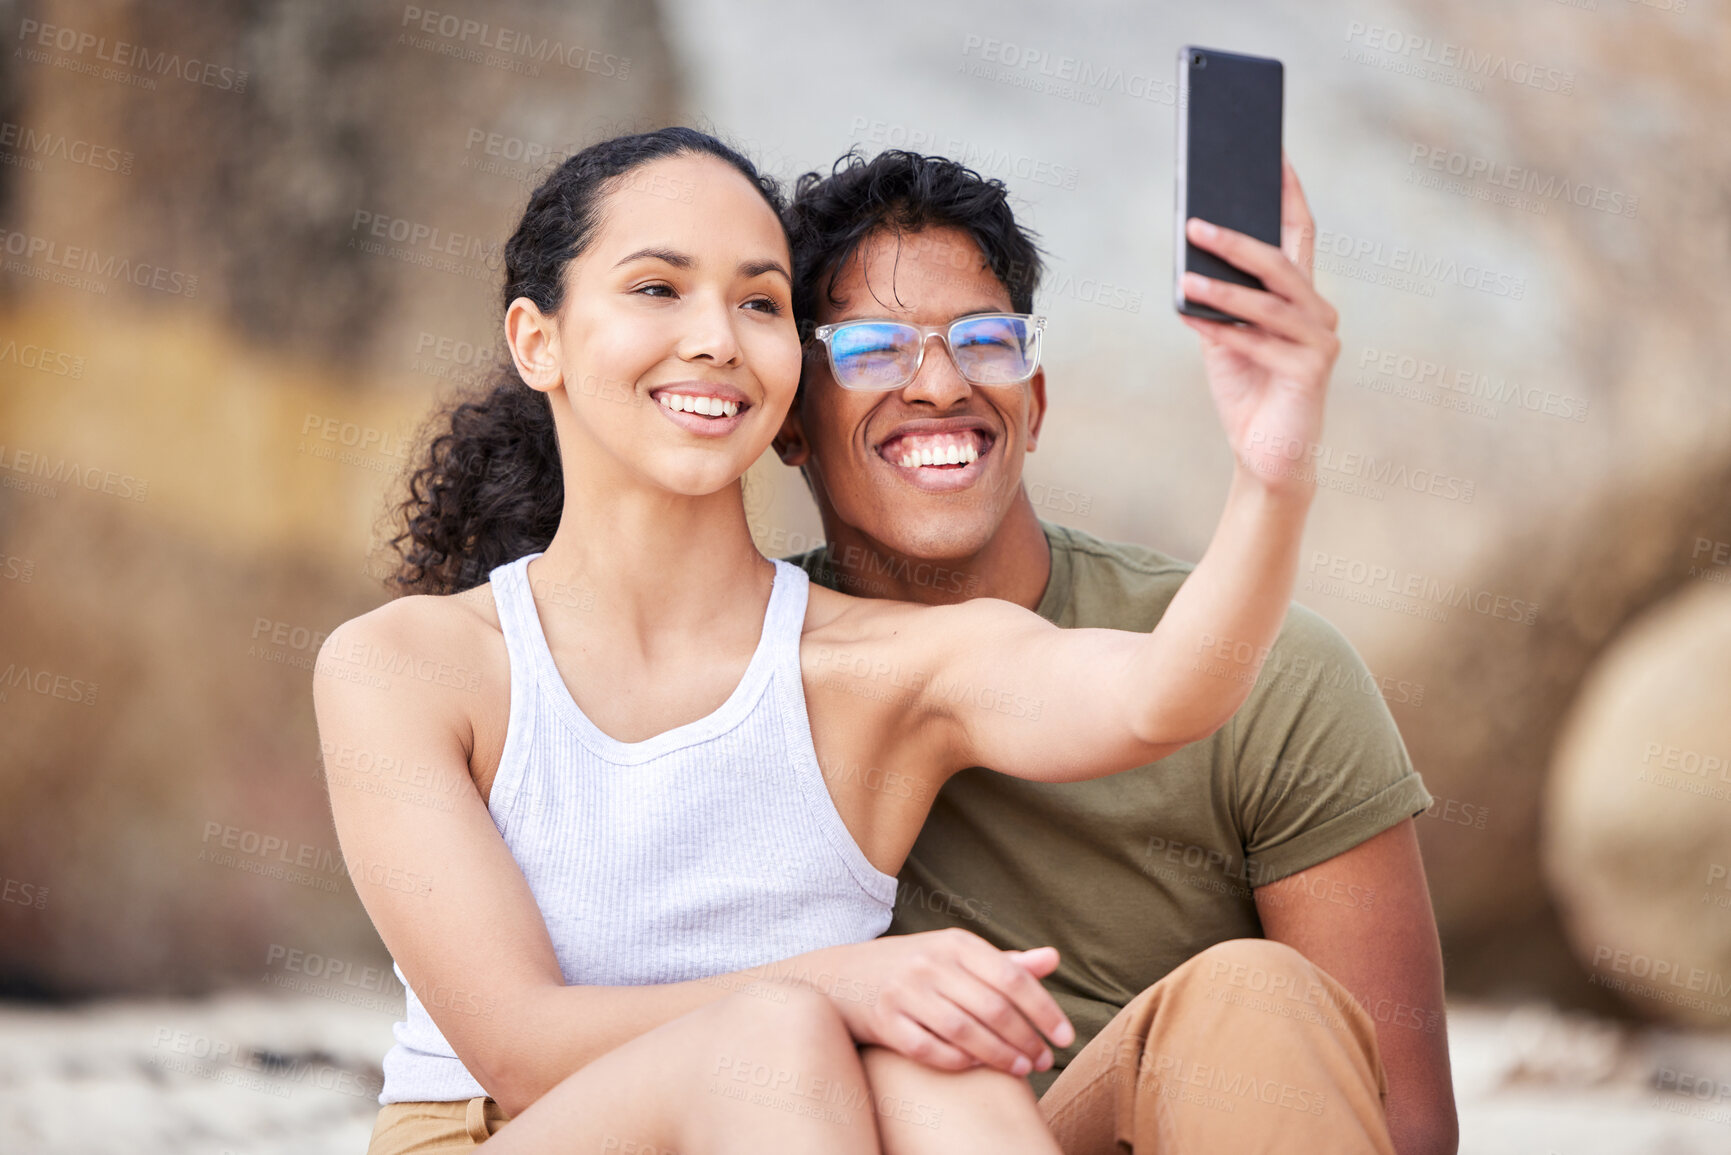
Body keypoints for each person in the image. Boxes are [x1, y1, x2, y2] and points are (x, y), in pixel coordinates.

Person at [313, 125, 1324, 1155]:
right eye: (658, 288)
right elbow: (518, 1045)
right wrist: (840, 984)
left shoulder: (875, 668)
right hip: (501, 1131)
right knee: (783, 1036)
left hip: (793, 1122)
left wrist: (1271, 473)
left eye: (758, 303)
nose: (714, 337)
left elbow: (1163, 691)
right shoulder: (411, 666)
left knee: (942, 1076)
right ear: (539, 340)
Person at [771, 148, 1459, 1154]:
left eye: (987, 342)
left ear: (1036, 403)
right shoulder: (745, 671)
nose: (940, 385)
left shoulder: (1265, 668)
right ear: (790, 421)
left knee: (1251, 992)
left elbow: (1404, 1121)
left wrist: (1275, 475)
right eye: (873, 348)